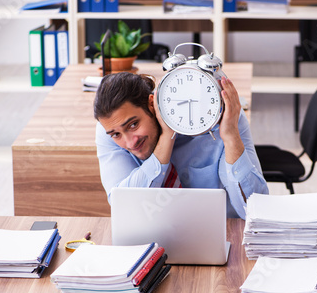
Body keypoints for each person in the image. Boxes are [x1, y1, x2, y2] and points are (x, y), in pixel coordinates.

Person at [94, 72, 268, 219]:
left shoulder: (219, 117)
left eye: (133, 125)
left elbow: (256, 211)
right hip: (155, 241)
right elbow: (124, 207)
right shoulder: (109, 129)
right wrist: (167, 138)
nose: (130, 142)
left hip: (225, 238)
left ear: (151, 104)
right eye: (117, 134)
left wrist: (230, 138)